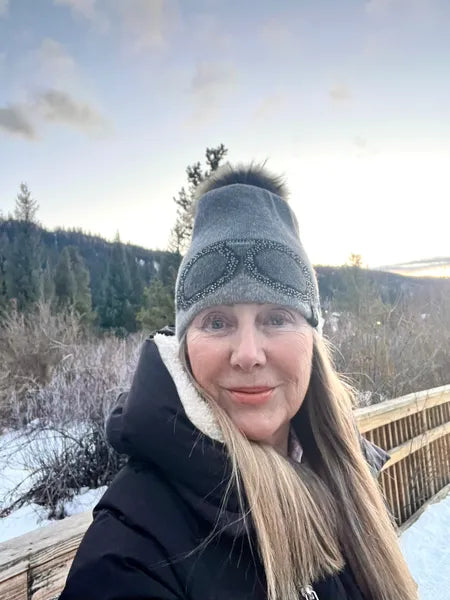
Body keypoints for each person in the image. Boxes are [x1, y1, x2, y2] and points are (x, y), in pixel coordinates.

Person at [60, 164, 417, 600]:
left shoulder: (347, 479)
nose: (248, 354)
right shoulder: (131, 550)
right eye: (216, 322)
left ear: (312, 338)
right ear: (185, 344)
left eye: (276, 318)